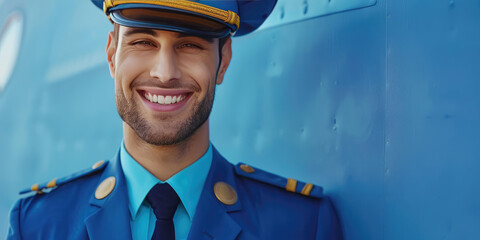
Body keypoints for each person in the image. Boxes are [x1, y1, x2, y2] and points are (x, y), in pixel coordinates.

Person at [6, 0, 342, 239]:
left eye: (190, 44)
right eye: (143, 42)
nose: (164, 73)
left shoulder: (301, 227)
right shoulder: (36, 226)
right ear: (111, 55)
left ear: (223, 61)